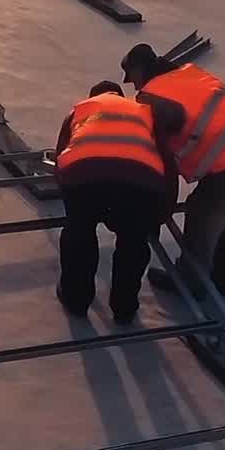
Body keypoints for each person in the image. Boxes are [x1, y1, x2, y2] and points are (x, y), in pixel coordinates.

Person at [122, 44, 225, 299]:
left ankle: (191, 283)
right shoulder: (190, 72)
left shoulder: (152, 98)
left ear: (139, 70)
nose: (134, 86)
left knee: (202, 215)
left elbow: (163, 158)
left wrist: (162, 205)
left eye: (132, 79)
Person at [55, 80, 180, 324]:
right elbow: (167, 160)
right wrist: (165, 206)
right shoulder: (143, 112)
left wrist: (74, 203)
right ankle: (124, 308)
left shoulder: (80, 110)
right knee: (133, 242)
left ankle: (76, 299)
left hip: (84, 174)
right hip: (138, 180)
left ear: (93, 96)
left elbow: (61, 156)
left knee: (79, 235)